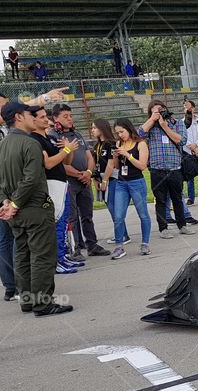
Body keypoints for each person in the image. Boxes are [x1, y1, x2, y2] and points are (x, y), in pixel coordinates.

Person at [0, 77, 66, 302]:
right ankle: (15, 286)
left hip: (4, 180)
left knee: (11, 232)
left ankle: (19, 285)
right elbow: (12, 112)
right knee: (10, 232)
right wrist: (45, 97)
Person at [0, 101, 72, 316]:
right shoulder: (30, 143)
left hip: (16, 212)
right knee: (42, 255)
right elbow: (32, 177)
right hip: (34, 206)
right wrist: (14, 202)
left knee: (22, 254)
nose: (33, 118)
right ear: (18, 117)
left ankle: (27, 300)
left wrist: (5, 202)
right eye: (29, 114)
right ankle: (43, 303)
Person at [50, 104, 110, 259]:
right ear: (55, 118)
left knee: (87, 215)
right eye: (65, 116)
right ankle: (75, 248)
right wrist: (79, 174)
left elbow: (89, 155)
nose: (69, 119)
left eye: (70, 115)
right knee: (72, 217)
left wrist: (88, 173)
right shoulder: (54, 137)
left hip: (84, 181)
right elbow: (61, 163)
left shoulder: (77, 134)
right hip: (69, 182)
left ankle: (92, 244)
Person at [30, 108, 82, 275]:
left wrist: (68, 150)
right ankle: (56, 260)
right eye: (42, 117)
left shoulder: (51, 137)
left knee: (63, 223)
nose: (47, 120)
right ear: (33, 120)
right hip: (51, 185)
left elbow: (65, 161)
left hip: (62, 183)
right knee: (56, 223)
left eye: (46, 116)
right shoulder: (35, 139)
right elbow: (49, 164)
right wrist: (66, 150)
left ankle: (62, 255)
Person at [137, 100, 194, 238]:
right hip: (157, 169)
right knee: (161, 200)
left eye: (161, 110)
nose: (159, 113)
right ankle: (163, 228)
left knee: (177, 199)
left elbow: (181, 140)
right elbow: (139, 134)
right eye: (155, 111)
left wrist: (164, 126)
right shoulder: (150, 127)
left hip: (175, 168)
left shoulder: (177, 123)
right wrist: (152, 119)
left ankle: (182, 225)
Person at [109, 118, 151, 259]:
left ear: (129, 129)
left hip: (136, 182)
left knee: (143, 214)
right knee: (118, 215)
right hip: (121, 183)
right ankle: (119, 246)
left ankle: (145, 243)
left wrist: (128, 155)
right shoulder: (119, 143)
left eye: (122, 131)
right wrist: (115, 156)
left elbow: (142, 166)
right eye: (117, 133)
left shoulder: (141, 144)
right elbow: (116, 166)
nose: (120, 135)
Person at [90, 118, 125, 244]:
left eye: (94, 128)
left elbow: (111, 164)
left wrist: (104, 181)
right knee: (110, 207)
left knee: (114, 208)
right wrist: (96, 181)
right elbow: (95, 165)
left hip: (111, 178)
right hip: (101, 177)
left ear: (102, 128)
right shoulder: (97, 145)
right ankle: (122, 234)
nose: (92, 130)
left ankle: (122, 235)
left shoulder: (111, 143)